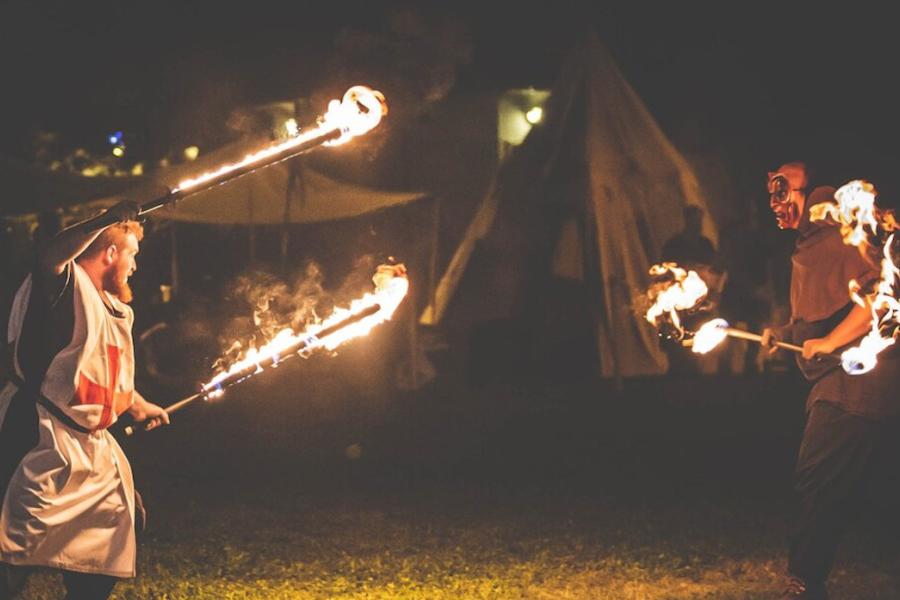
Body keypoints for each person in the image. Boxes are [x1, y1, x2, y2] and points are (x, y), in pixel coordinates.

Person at [0, 200, 170, 599]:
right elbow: (51, 254)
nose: (135, 266)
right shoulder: (64, 285)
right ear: (110, 252)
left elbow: (99, 371)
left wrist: (138, 404)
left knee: (122, 520)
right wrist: (111, 218)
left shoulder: (114, 309)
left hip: (92, 447)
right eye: (131, 254)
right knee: (11, 547)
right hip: (41, 437)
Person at [761, 161, 900, 599]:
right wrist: (784, 334)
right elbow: (816, 313)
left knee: (818, 477)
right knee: (850, 482)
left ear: (812, 192)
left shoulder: (839, 237)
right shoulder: (807, 247)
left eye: (783, 189)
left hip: (856, 383)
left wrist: (830, 341)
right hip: (835, 384)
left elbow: (880, 296)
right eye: (771, 192)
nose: (775, 201)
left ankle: (804, 580)